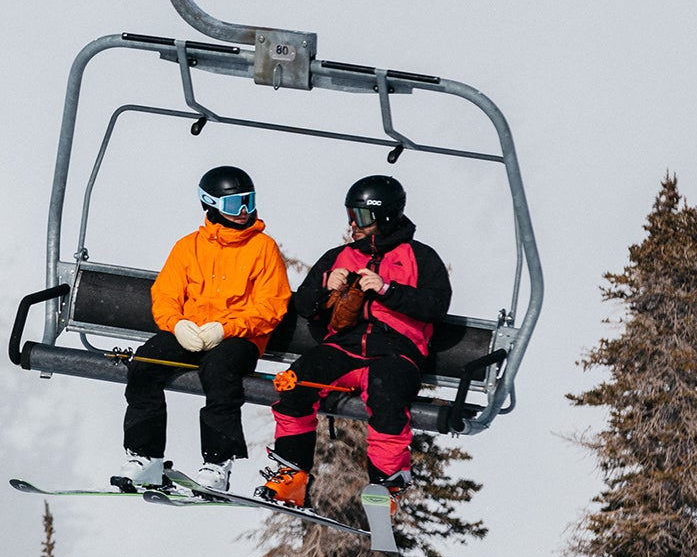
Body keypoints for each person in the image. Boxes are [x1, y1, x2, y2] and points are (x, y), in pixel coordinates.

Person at [261, 174, 451, 511]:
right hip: (343, 349)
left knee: (387, 397)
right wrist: (324, 289)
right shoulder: (340, 256)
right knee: (294, 384)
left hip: (396, 351)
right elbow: (304, 305)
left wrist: (387, 291)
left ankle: (387, 484)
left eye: (361, 217)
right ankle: (292, 474)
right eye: (350, 215)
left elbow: (435, 306)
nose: (353, 226)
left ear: (386, 216)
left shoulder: (420, 258)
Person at [123, 165, 292, 493]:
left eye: (248, 201)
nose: (243, 212)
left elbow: (271, 306)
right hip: (190, 332)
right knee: (145, 364)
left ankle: (218, 461)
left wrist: (227, 328)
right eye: (233, 205)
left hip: (240, 337)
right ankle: (145, 456)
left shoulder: (262, 248)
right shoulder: (189, 247)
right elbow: (166, 294)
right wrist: (178, 324)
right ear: (210, 204)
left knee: (218, 371)